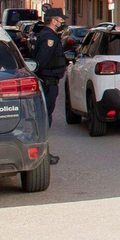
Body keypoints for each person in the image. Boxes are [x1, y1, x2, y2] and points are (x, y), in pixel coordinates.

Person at [28, 11, 68, 165]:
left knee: (45, 118)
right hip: (47, 82)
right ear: (53, 21)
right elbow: (41, 61)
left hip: (48, 82)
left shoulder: (44, 35)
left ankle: (43, 152)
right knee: (45, 119)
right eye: (60, 20)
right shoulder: (49, 38)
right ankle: (42, 154)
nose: (62, 23)